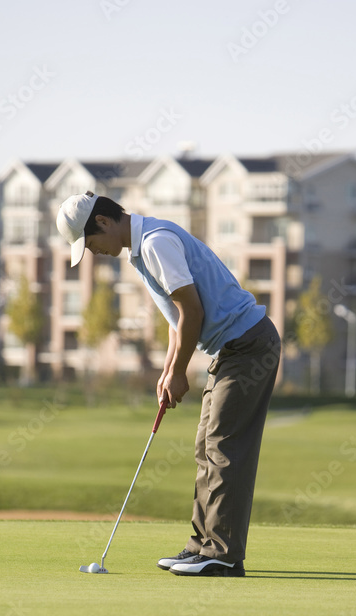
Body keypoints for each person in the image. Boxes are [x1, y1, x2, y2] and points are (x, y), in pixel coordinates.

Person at [56, 191, 281, 577]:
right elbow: (179, 322)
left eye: (90, 244)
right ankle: (204, 546)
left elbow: (192, 310)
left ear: (104, 223)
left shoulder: (156, 243)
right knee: (205, 447)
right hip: (232, 350)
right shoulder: (141, 250)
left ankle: (223, 555)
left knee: (224, 448)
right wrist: (168, 370)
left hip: (248, 347)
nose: (93, 253)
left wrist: (179, 373)